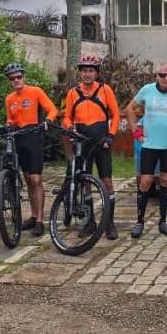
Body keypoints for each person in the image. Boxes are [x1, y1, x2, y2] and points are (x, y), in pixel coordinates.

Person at [126, 62, 167, 238]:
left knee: (166, 181)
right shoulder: (147, 90)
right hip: (149, 145)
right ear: (156, 76)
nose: (166, 78)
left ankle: (163, 221)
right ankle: (139, 221)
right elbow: (130, 108)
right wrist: (135, 130)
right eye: (162, 75)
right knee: (145, 181)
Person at [63, 55, 120, 240]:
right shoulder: (73, 93)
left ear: (96, 73)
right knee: (85, 181)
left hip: (101, 140)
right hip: (82, 141)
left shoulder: (105, 90)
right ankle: (90, 222)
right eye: (84, 71)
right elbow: (67, 116)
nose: (87, 74)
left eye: (91, 71)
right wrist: (69, 129)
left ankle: (109, 222)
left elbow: (116, 114)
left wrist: (111, 135)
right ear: (80, 73)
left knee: (106, 180)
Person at [4, 62, 59, 237]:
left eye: (19, 77)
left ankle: (41, 220)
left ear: (24, 77)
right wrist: (8, 124)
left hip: (34, 137)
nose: (16, 80)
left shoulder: (36, 92)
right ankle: (34, 215)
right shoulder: (9, 99)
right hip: (19, 139)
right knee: (27, 179)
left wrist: (48, 121)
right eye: (12, 78)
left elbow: (53, 109)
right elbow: (11, 118)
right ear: (9, 81)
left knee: (36, 179)